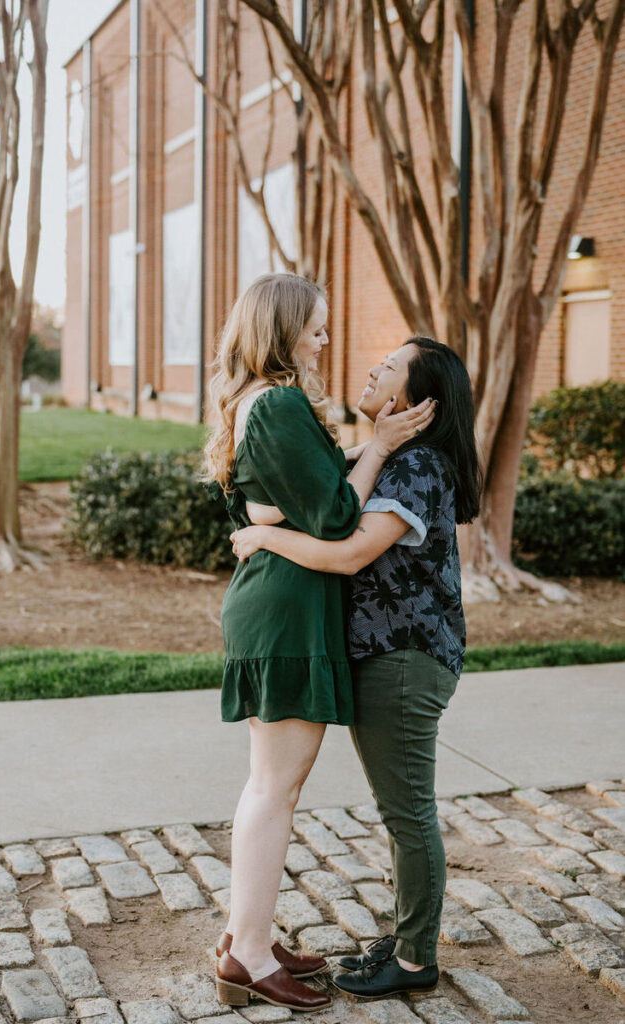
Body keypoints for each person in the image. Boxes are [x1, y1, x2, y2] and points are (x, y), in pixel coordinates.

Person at [203, 274, 435, 1013]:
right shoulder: (274, 403)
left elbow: (300, 499)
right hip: (286, 607)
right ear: (281, 330)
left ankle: (251, 938)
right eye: (317, 329)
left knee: (273, 783)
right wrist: (377, 445)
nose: (326, 341)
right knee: (275, 786)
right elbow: (336, 518)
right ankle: (245, 953)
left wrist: (277, 516)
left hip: (285, 597)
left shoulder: (260, 403)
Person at [231, 336, 481, 1001]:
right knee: (396, 805)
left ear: (414, 400)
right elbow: (305, 497)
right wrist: (269, 511)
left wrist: (261, 537)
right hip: (380, 655)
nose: (371, 369)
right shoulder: (392, 458)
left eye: (388, 368)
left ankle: (414, 957)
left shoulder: (417, 465)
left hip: (404, 658)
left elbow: (347, 552)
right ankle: (405, 938)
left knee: (406, 810)